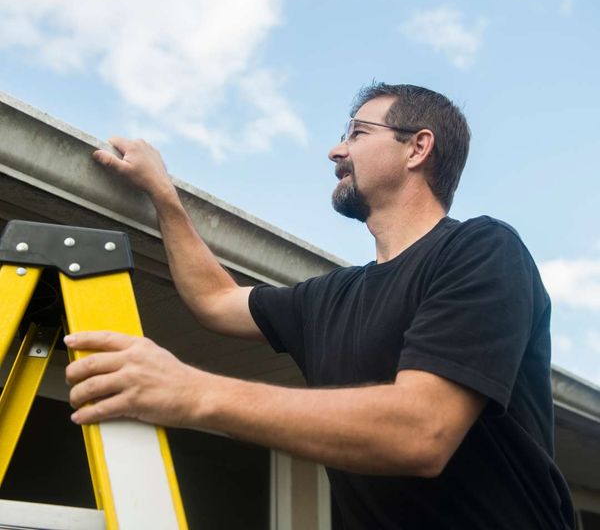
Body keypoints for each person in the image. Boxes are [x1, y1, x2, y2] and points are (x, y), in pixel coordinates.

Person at [65, 83, 575, 529]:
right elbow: (216, 301)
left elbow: (423, 429)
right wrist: (163, 194)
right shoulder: (330, 297)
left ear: (418, 147)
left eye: (356, 133)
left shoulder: (482, 250)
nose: (336, 150)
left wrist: (191, 392)